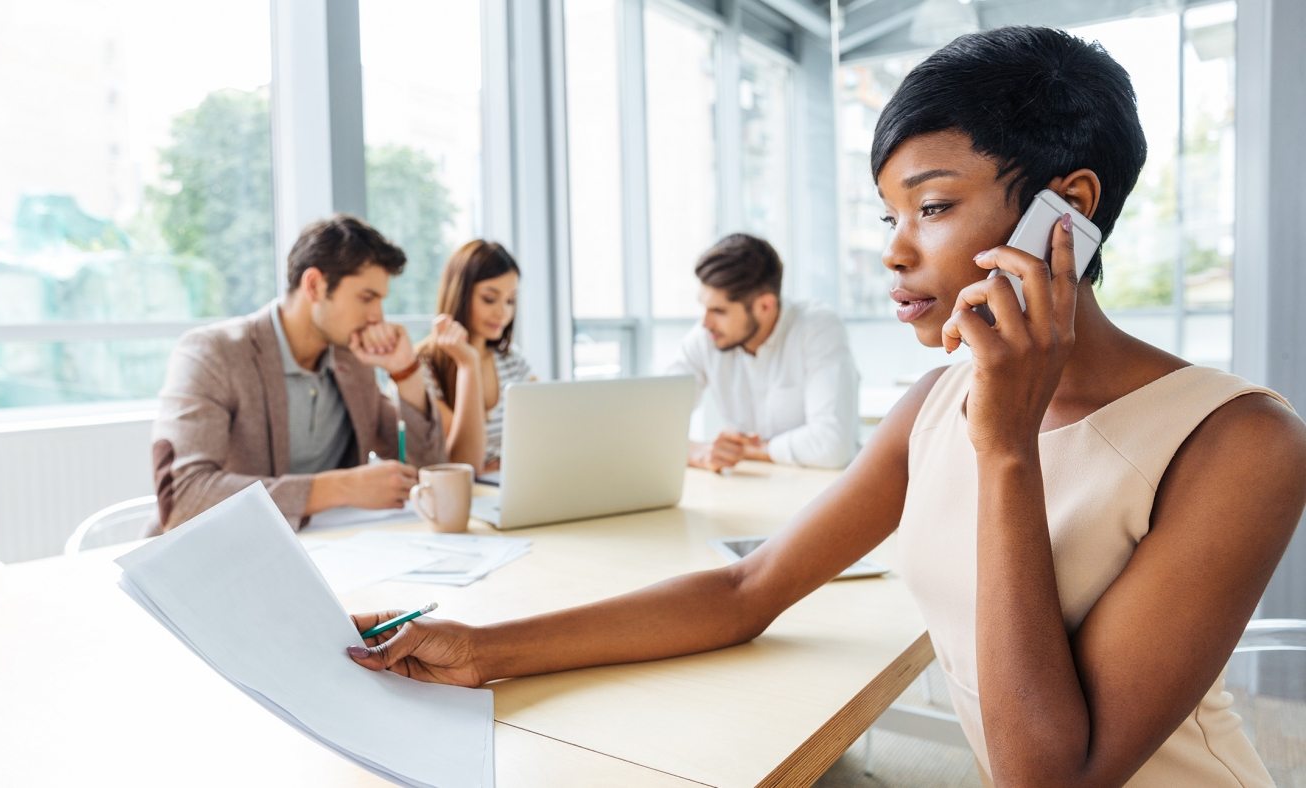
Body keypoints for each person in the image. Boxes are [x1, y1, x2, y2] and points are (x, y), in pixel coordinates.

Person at [342, 27, 1306, 786]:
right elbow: (745, 590)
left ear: (1068, 211)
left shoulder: (1241, 442)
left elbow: (1048, 776)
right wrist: (483, 649)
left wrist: (1007, 448)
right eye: (888, 214)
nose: (892, 251)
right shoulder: (938, 401)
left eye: (930, 207)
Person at [151, 214, 474, 531]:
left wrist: (406, 372)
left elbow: (429, 473)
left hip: (331, 554)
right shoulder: (213, 354)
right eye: (367, 298)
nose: (377, 317)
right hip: (223, 557)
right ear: (315, 285)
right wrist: (339, 488)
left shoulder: (353, 361)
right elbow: (184, 498)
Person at [666, 233, 859, 471]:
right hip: (750, 491)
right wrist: (698, 451)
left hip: (820, 491)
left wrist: (749, 450)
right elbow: (654, 422)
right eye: (704, 307)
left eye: (719, 311)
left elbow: (833, 445)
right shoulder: (706, 337)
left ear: (765, 306)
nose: (706, 322)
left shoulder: (817, 328)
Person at [417, 240, 533, 473]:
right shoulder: (422, 365)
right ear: (459, 294)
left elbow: (544, 431)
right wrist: (468, 364)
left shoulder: (512, 361)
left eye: (510, 300)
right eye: (489, 299)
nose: (502, 312)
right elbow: (464, 462)